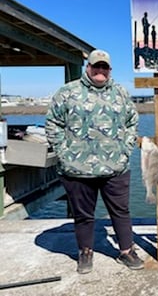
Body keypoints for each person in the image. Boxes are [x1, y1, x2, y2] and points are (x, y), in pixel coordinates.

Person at [45, 49, 143, 274]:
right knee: (83, 215)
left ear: (109, 70)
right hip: (77, 169)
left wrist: (125, 151)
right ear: (87, 67)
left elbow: (132, 123)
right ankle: (85, 251)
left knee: (121, 211)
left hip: (116, 168)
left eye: (104, 67)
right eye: (95, 66)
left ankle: (126, 251)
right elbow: (53, 123)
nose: (100, 70)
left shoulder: (120, 92)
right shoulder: (67, 92)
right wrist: (64, 153)